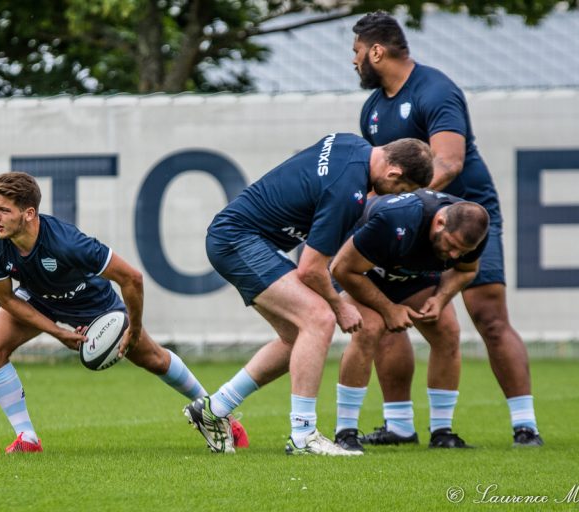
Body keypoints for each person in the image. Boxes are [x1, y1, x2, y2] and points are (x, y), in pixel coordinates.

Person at [348, 11, 543, 446]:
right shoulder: (373, 109)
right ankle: (399, 425)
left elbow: (450, 162)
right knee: (389, 313)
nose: (355, 61)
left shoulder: (435, 90)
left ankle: (524, 426)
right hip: (409, 224)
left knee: (489, 318)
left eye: (357, 52)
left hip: (464, 220)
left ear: (376, 51)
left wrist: (400, 204)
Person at [182, 133, 434, 455]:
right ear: (394, 173)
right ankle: (303, 437)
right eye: (402, 189)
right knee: (319, 318)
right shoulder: (349, 189)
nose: (396, 196)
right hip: (238, 240)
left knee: (296, 337)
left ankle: (213, 409)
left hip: (239, 237)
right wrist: (340, 307)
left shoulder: (351, 144)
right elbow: (311, 269)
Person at [0, 171, 248, 453]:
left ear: (29, 213)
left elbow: (132, 278)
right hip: (38, 298)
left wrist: (135, 329)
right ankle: (27, 438)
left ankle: (215, 411)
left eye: (4, 210)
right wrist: (57, 332)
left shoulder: (68, 243)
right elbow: (7, 299)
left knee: (153, 358)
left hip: (93, 304)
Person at [330, 190, 489, 451]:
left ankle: (441, 433)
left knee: (448, 332)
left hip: (412, 274)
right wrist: (389, 309)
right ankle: (345, 433)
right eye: (450, 245)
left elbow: (467, 270)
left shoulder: (472, 234)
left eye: (461, 251)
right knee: (370, 329)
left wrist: (440, 299)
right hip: (360, 270)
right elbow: (342, 268)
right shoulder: (397, 219)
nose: (452, 255)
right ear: (439, 222)